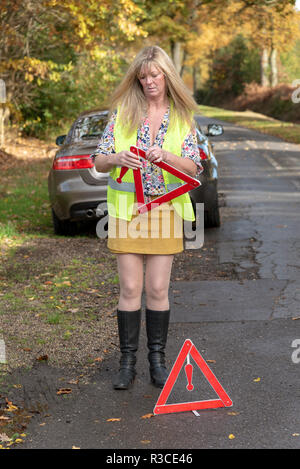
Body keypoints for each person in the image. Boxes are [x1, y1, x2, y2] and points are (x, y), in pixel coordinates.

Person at [93, 45, 203, 390]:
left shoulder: (183, 117)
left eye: (154, 75)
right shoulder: (123, 113)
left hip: (165, 210)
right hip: (127, 211)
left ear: (167, 76)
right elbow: (98, 161)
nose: (148, 81)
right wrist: (117, 158)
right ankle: (127, 363)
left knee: (157, 289)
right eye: (142, 77)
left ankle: (157, 360)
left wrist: (167, 156)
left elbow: (195, 167)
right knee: (130, 288)